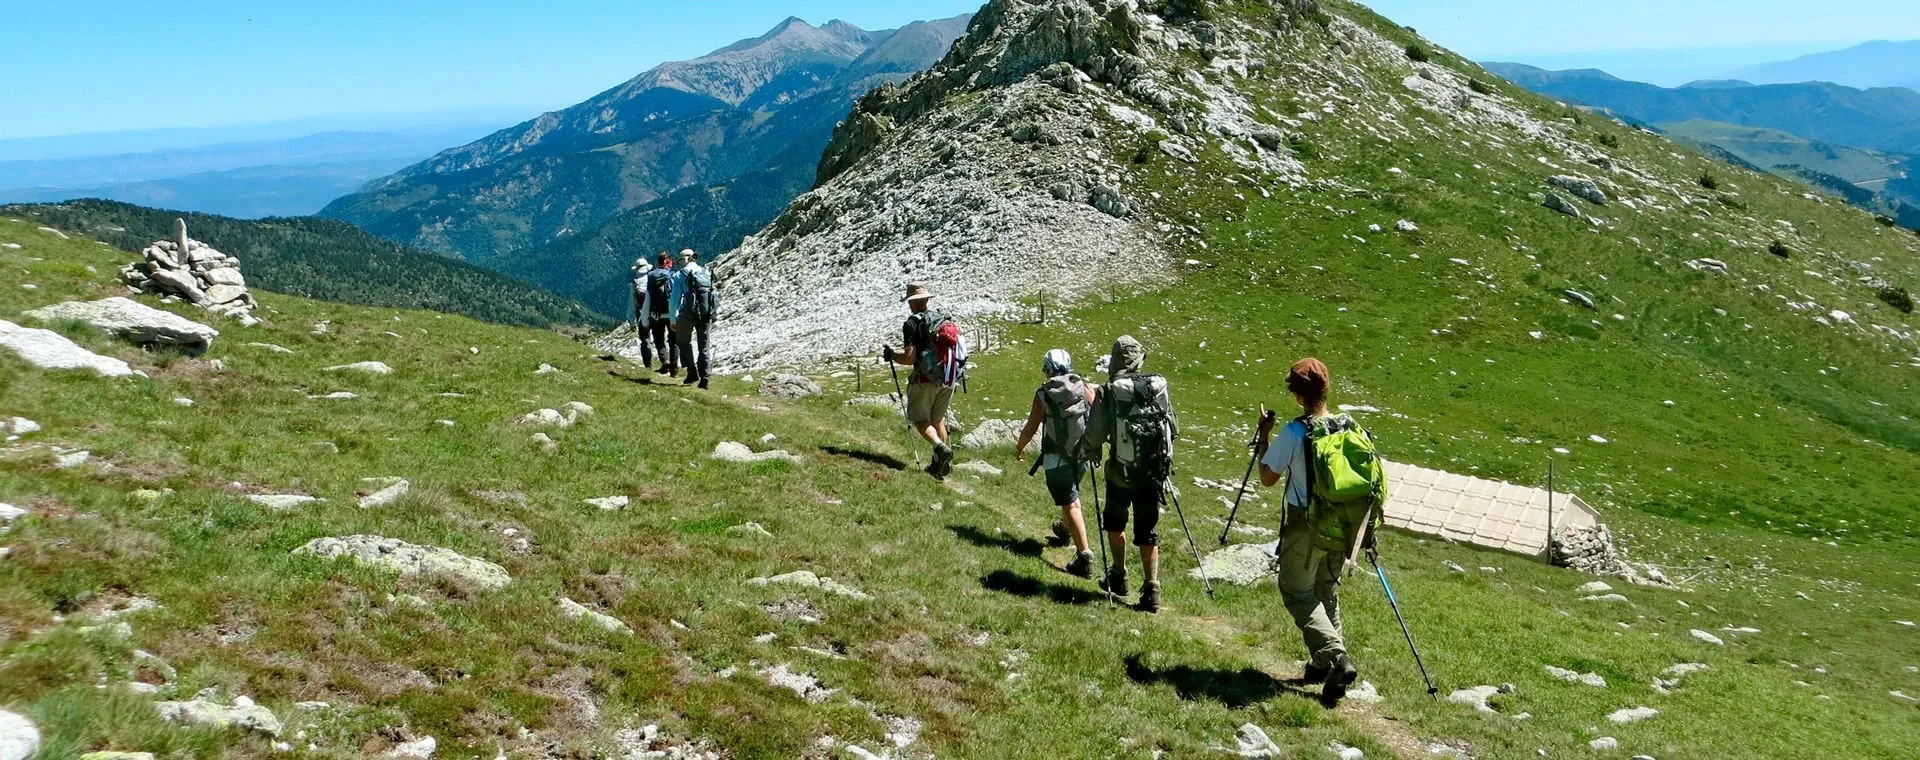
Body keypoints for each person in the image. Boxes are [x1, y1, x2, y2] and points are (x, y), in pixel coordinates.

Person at [1255, 357, 1379, 704]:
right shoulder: (1348, 426)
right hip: (1343, 528)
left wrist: (1264, 438)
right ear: (1325, 390)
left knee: (1296, 591)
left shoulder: (1295, 433)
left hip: (1306, 526)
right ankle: (1322, 665)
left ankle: (1336, 657)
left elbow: (1267, 478)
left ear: (1297, 395)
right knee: (1325, 589)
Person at [1083, 335, 1178, 613]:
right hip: (1152, 471)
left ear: (1114, 361)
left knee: (1115, 523)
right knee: (1148, 530)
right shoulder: (1157, 386)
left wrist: (1089, 449)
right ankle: (1152, 587)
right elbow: (1173, 427)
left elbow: (1095, 434)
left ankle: (1119, 574)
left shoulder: (1109, 390)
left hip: (1121, 473)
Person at [1014, 349, 1097, 579]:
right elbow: (1097, 413)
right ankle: (1064, 530)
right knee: (1070, 496)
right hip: (1081, 454)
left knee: (1071, 503)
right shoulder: (1083, 386)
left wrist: (1020, 447)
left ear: (1048, 369)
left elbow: (1032, 426)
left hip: (1056, 457)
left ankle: (1085, 556)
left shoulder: (1044, 393)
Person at [884, 284, 961, 479]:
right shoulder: (942, 320)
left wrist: (892, 355)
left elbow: (909, 358)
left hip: (925, 379)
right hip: (948, 378)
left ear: (912, 302)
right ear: (926, 300)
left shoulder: (911, 324)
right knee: (937, 420)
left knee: (920, 419)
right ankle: (941, 465)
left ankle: (940, 448)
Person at [669, 248, 716, 389]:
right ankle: (705, 376)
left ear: (684, 259)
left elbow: (674, 300)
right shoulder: (705, 271)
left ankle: (691, 371)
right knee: (704, 345)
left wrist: (672, 319)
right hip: (705, 312)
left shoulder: (678, 275)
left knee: (683, 341)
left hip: (687, 313)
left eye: (679, 260)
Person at [642, 251, 677, 376]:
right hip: (671, 313)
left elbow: (648, 298)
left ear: (658, 263)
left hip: (656, 314)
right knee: (673, 340)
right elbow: (677, 296)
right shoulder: (673, 276)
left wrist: (644, 319)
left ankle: (665, 360)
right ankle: (674, 369)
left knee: (659, 339)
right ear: (667, 263)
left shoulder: (651, 276)